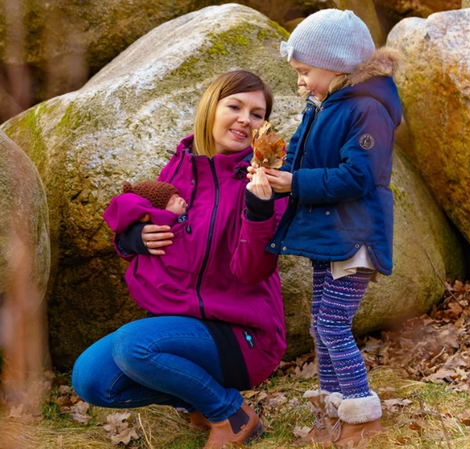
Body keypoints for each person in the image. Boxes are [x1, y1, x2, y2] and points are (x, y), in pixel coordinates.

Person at [72, 70, 288, 449]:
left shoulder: (263, 181)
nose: (245, 119)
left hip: (244, 335)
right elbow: (136, 213)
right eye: (235, 106)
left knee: (132, 346)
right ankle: (201, 402)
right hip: (181, 326)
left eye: (257, 114)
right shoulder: (177, 169)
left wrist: (260, 209)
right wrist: (132, 238)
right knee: (90, 379)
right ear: (210, 109)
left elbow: (253, 270)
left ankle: (231, 414)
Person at [250, 9, 403, 448]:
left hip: (355, 236)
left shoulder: (368, 109)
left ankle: (362, 416)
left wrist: (295, 182)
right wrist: (271, 173)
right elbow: (297, 160)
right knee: (321, 324)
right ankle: (335, 406)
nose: (300, 81)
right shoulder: (320, 106)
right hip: (328, 236)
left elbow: (358, 177)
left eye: (305, 72)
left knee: (334, 322)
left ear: (337, 64)